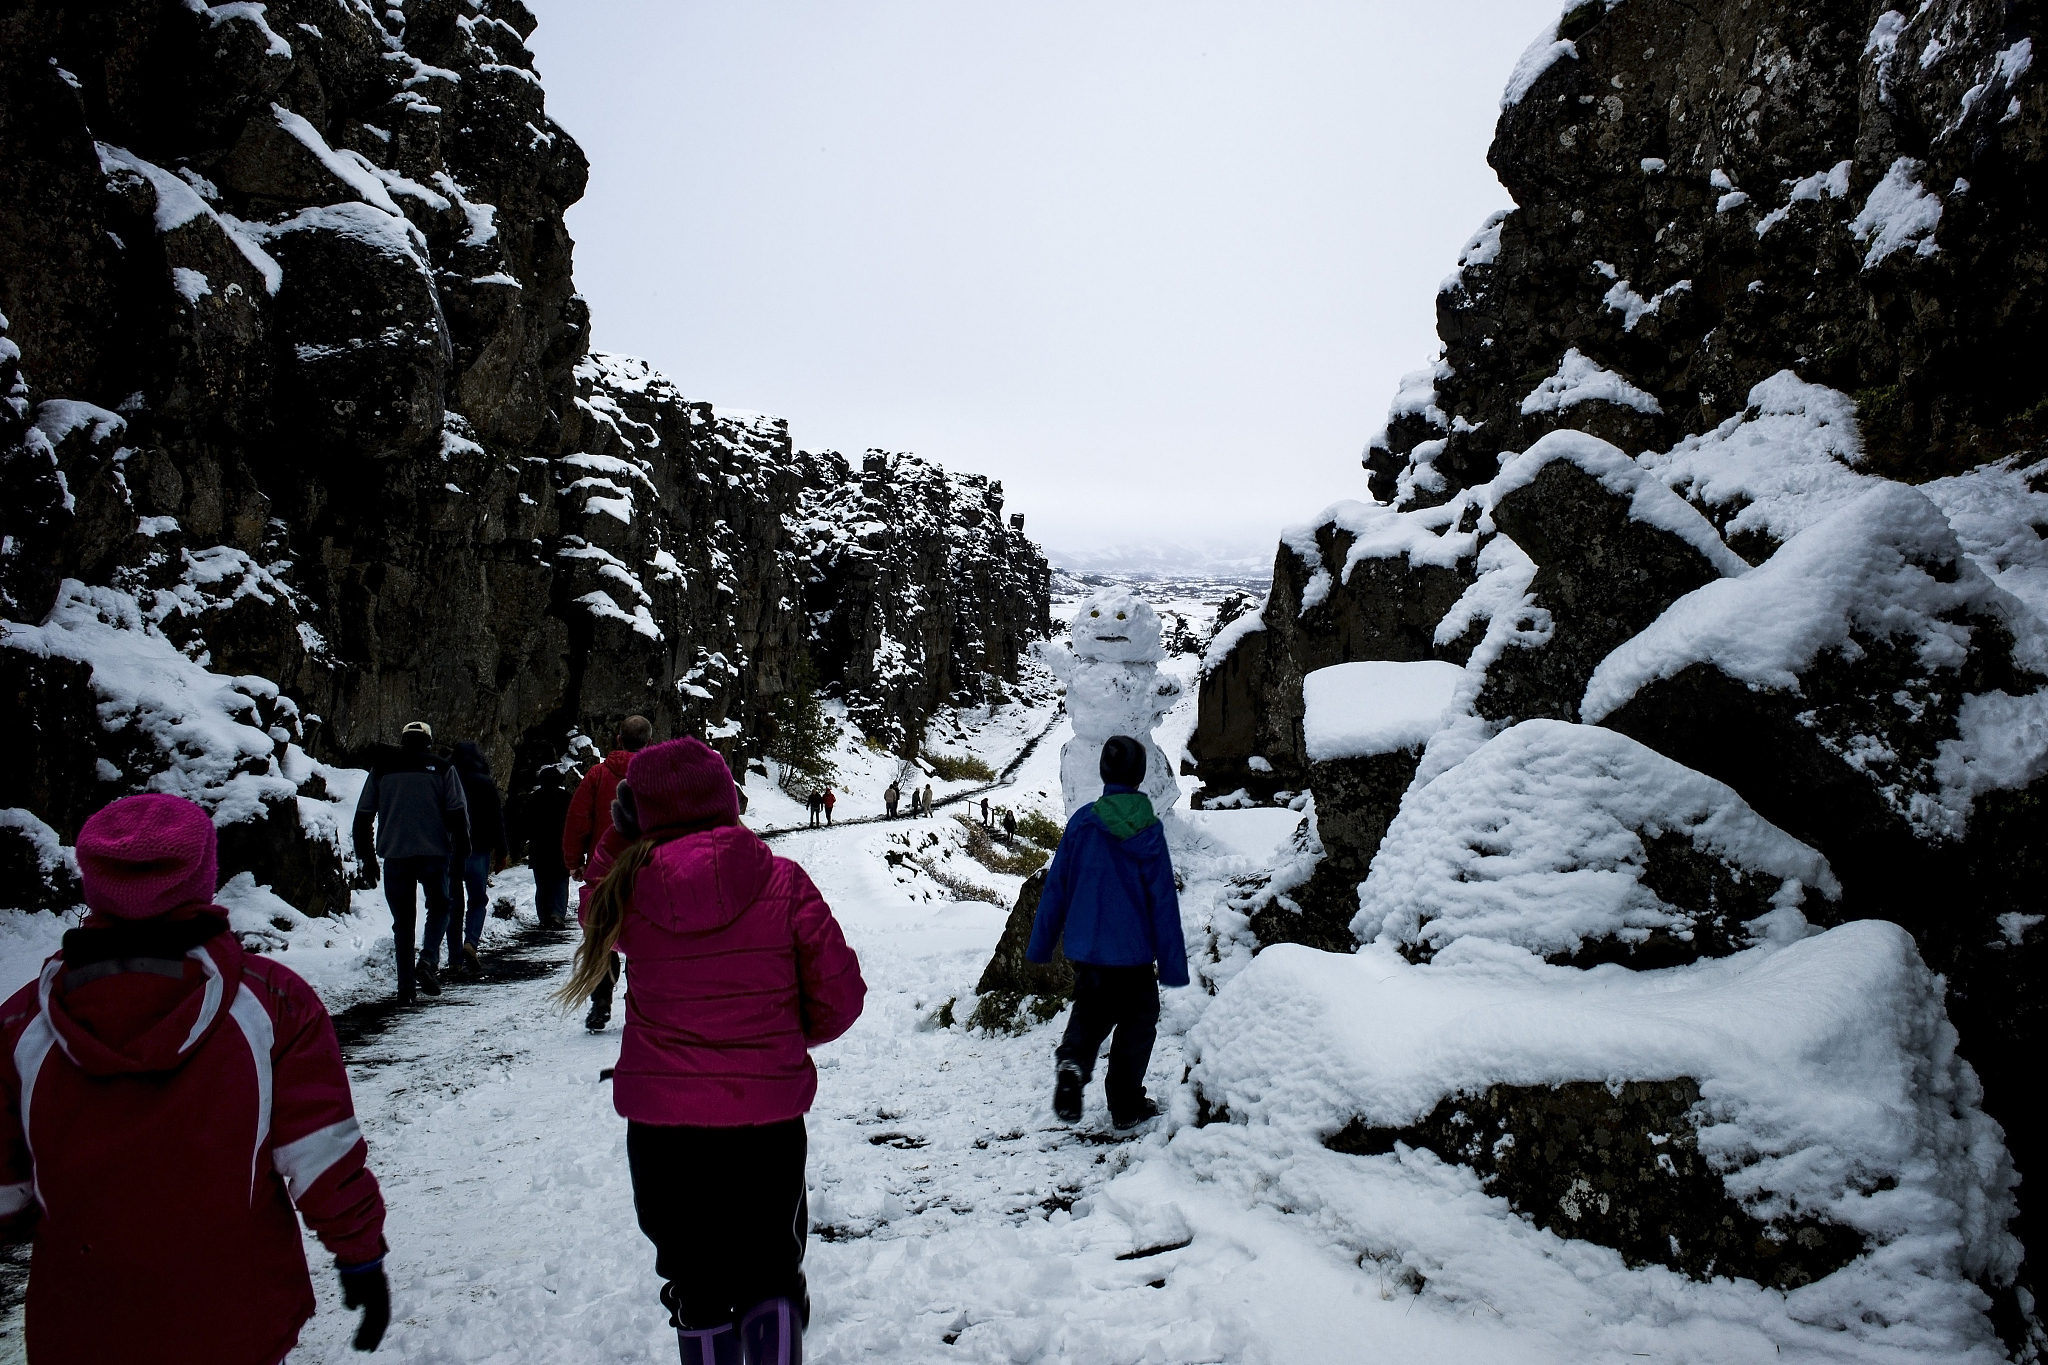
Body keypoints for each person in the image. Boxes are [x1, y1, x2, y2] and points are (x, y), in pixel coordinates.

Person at [0, 793, 391, 1363]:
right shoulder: (272, 1003)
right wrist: (360, 1256)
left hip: (82, 1323)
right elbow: (320, 1153)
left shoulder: (21, 1026)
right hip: (234, 1319)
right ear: (203, 877)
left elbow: (6, 1191)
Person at [555, 738, 866, 1363]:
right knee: (770, 1265)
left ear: (636, 817)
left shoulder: (628, 895)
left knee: (696, 1278)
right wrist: (774, 1040)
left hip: (664, 1127)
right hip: (767, 1119)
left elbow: (592, 908)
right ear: (727, 800)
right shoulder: (783, 880)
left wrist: (617, 840)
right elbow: (841, 997)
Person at [1026, 736, 1188, 1130]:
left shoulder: (1082, 822)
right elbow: (1162, 902)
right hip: (1133, 954)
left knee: (1091, 1010)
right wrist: (1172, 966)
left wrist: (1041, 943)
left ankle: (1073, 1064)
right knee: (1138, 1021)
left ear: (1103, 772)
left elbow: (1057, 887)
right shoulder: (1148, 829)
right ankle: (1126, 1104)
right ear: (1140, 775)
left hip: (1088, 948)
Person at [353, 719, 469, 1004]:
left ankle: (405, 986)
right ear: (429, 742)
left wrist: (367, 858)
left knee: (403, 922)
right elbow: (456, 812)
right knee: (441, 907)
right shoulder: (443, 768)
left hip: (395, 855)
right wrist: (461, 849)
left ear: (403, 741)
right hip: (434, 853)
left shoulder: (382, 769)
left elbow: (363, 816)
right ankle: (428, 960)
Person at [564, 716, 652, 1031]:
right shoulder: (655, 777)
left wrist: (574, 861)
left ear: (617, 740)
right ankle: (641, 1004)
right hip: (644, 869)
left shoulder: (597, 774)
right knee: (644, 937)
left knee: (602, 934)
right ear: (649, 743)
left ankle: (601, 1000)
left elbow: (578, 819)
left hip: (603, 869)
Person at [444, 741, 509, 977]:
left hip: (451, 849)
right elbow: (496, 818)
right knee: (477, 899)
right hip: (478, 849)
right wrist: (502, 851)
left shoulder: (447, 778)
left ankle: (453, 959)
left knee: (452, 903)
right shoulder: (485, 782)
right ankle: (471, 942)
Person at [524, 768, 573, 930]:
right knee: (560, 883)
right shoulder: (566, 798)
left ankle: (544, 916)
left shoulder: (533, 798)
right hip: (561, 847)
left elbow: (526, 824)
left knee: (542, 884)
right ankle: (557, 915)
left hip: (539, 848)